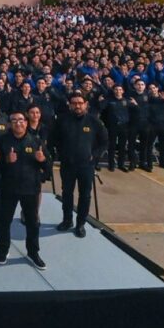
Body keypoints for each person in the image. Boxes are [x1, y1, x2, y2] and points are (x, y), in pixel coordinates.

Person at [0, 112, 48, 270]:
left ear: (26, 122)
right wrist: (5, 160)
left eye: (21, 120)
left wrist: (42, 160)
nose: (18, 123)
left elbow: (48, 168)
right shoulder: (1, 141)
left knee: (33, 223)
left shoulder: (36, 141)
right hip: (8, 188)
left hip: (30, 189)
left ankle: (33, 252)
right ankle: (3, 250)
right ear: (10, 123)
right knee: (4, 222)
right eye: (14, 120)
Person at [52, 91, 107, 237]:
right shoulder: (62, 120)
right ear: (70, 105)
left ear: (86, 105)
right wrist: (61, 153)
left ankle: (80, 223)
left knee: (85, 196)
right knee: (67, 194)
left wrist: (93, 156)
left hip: (86, 166)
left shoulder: (94, 121)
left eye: (80, 103)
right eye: (74, 103)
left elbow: (104, 143)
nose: (77, 106)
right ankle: (67, 220)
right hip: (67, 165)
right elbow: (53, 139)